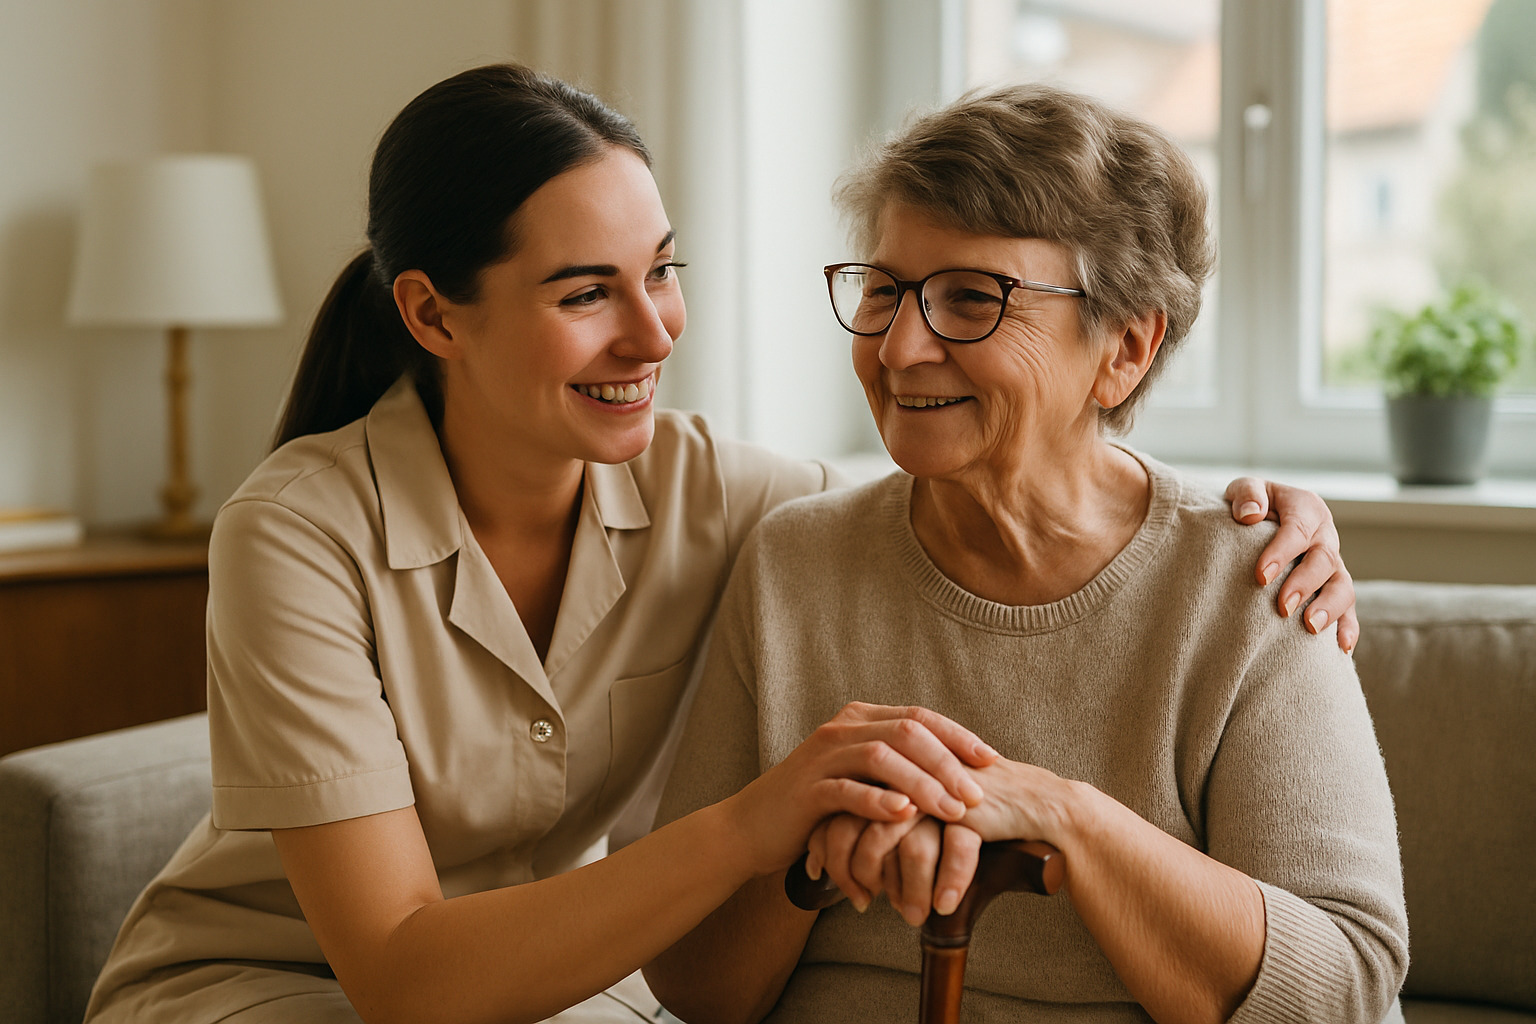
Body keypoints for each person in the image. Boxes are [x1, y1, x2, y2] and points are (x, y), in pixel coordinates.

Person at [84, 66, 1360, 1024]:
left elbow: (965, 492)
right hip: (284, 982)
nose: (654, 333)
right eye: (586, 292)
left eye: (663, 270)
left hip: (540, 983)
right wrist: (766, 827)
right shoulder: (296, 531)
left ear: (1127, 344)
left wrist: (1270, 518)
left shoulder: (752, 510)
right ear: (431, 312)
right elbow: (411, 974)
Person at [646, 83, 1407, 1024]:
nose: (900, 346)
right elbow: (691, 989)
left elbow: (1347, 991)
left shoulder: (1250, 584)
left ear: (1124, 349)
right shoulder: (793, 563)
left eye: (973, 298)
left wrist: (1061, 819)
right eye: (885, 291)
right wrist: (811, 855)